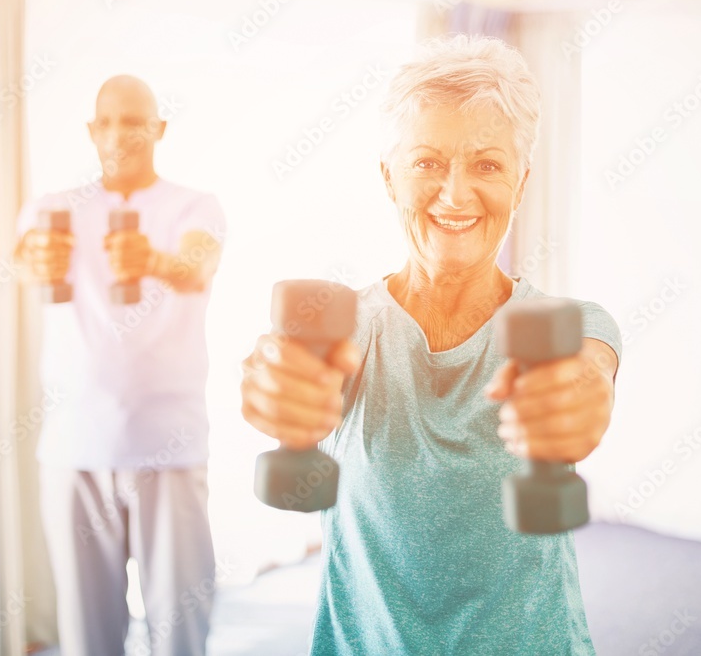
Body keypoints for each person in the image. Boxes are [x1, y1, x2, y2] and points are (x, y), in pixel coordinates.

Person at [240, 35, 622, 655]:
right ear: (389, 177)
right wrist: (274, 385)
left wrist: (583, 389)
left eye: (487, 164)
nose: (455, 194)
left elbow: (588, 363)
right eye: (427, 162)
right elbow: (294, 370)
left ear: (521, 184)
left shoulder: (567, 328)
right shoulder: (345, 327)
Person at [14, 75, 225, 656]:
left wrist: (155, 260)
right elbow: (24, 258)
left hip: (169, 446)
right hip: (74, 448)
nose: (119, 134)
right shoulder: (52, 210)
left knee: (181, 628)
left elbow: (198, 264)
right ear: (90, 131)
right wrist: (31, 259)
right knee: (87, 636)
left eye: (134, 121)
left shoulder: (195, 206)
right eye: (106, 121)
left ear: (158, 128)